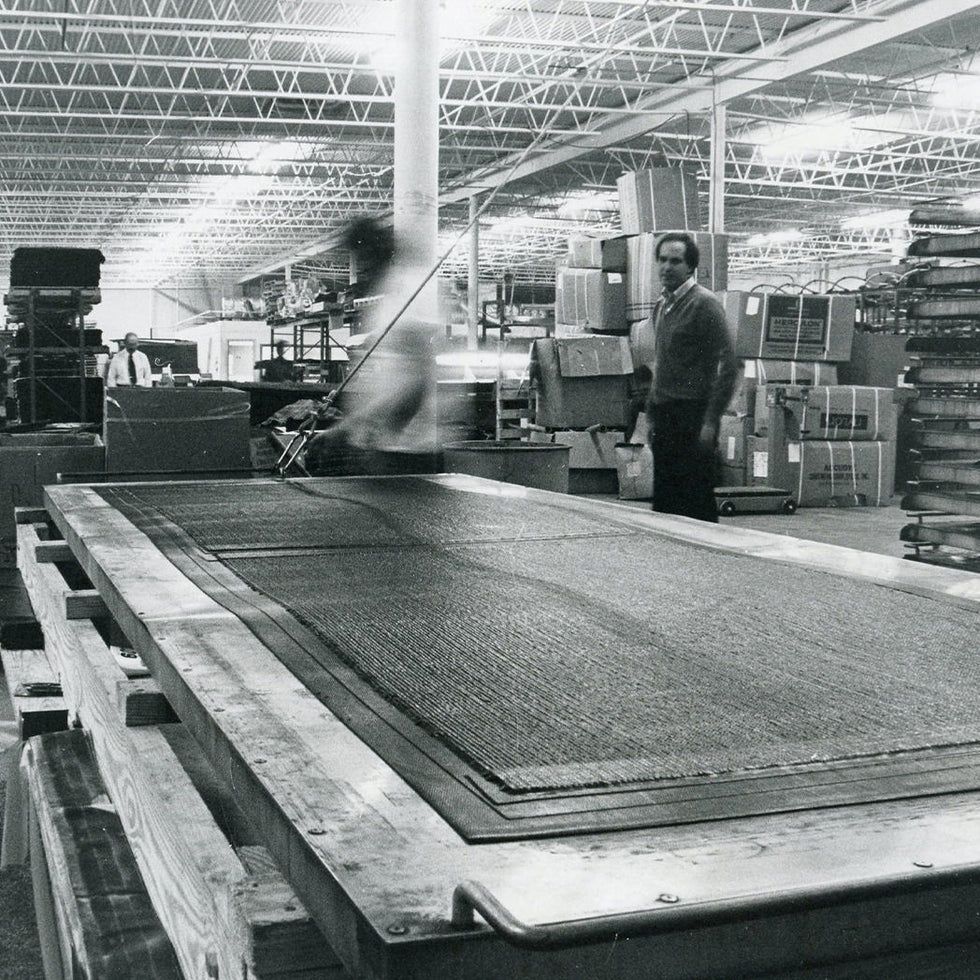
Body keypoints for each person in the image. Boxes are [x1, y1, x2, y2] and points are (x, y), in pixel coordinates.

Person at [304, 216, 438, 477]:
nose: (361, 268)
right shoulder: (387, 296)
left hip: (402, 452)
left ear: (376, 251)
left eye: (362, 256)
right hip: (381, 444)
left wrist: (350, 428)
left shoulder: (409, 292)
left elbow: (415, 384)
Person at [644, 231, 738, 522]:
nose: (666, 267)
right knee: (665, 500)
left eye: (675, 261)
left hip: (693, 417)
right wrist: (650, 412)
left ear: (690, 266)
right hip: (666, 415)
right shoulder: (661, 305)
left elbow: (729, 366)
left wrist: (710, 421)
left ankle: (705, 564)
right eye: (662, 260)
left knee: (695, 502)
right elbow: (663, 364)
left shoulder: (704, 304)